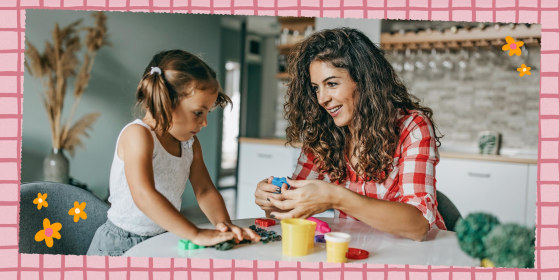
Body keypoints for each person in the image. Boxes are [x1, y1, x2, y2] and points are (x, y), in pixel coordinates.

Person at [254, 28, 446, 241]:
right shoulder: (323, 133)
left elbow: (418, 226)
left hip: (419, 254)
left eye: (332, 84)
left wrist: (336, 197)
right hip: (360, 250)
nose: (322, 99)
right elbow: (287, 211)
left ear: (364, 81)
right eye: (316, 88)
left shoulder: (412, 126)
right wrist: (271, 200)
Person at [88, 50, 259, 256]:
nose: (204, 122)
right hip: (120, 243)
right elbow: (143, 195)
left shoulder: (189, 145)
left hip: (162, 237)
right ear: (165, 102)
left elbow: (204, 191)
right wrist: (195, 233)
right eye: (198, 113)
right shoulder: (138, 135)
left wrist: (224, 226)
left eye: (207, 113)